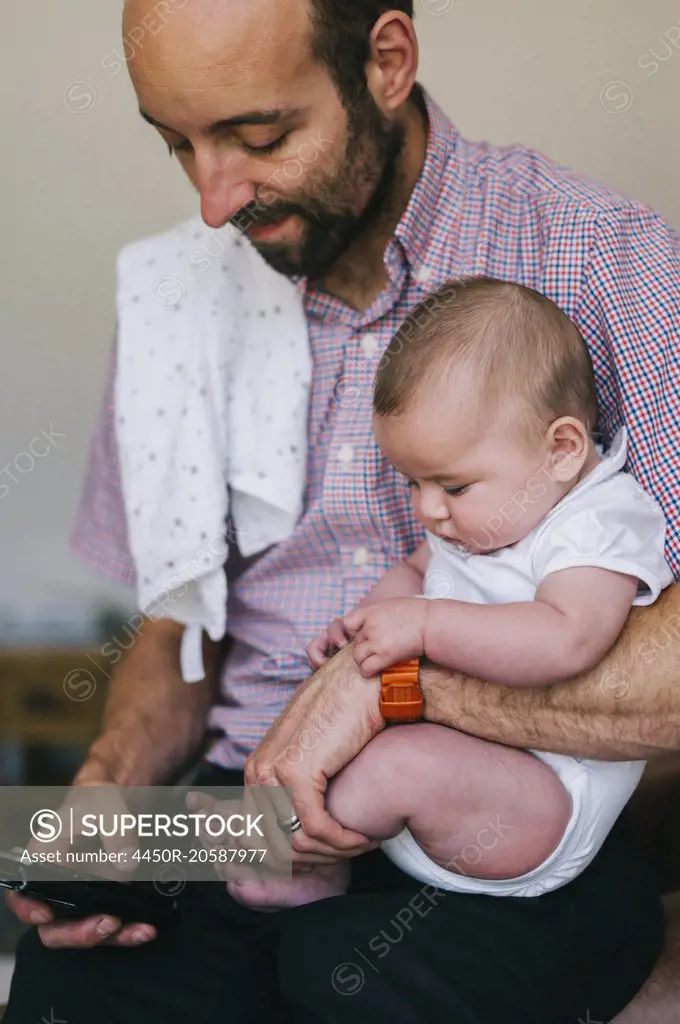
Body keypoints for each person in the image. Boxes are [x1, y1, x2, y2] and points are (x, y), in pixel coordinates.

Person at [5, 1, 680, 1022]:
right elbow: (180, 627)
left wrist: (386, 690)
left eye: (258, 135)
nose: (213, 198)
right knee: (72, 982)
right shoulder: (175, 302)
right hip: (250, 800)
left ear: (386, 62)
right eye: (174, 143)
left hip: (507, 809)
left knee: (355, 982)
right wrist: (108, 790)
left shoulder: (598, 257)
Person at [227, 278, 673, 911]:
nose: (430, 510)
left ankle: (302, 864)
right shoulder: (492, 507)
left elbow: (567, 638)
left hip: (539, 803)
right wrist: (369, 622)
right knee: (322, 732)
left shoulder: (595, 523)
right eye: (413, 483)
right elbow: (414, 573)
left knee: (397, 765)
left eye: (454, 487)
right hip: (457, 775)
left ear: (563, 450)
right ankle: (246, 828)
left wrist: (426, 627)